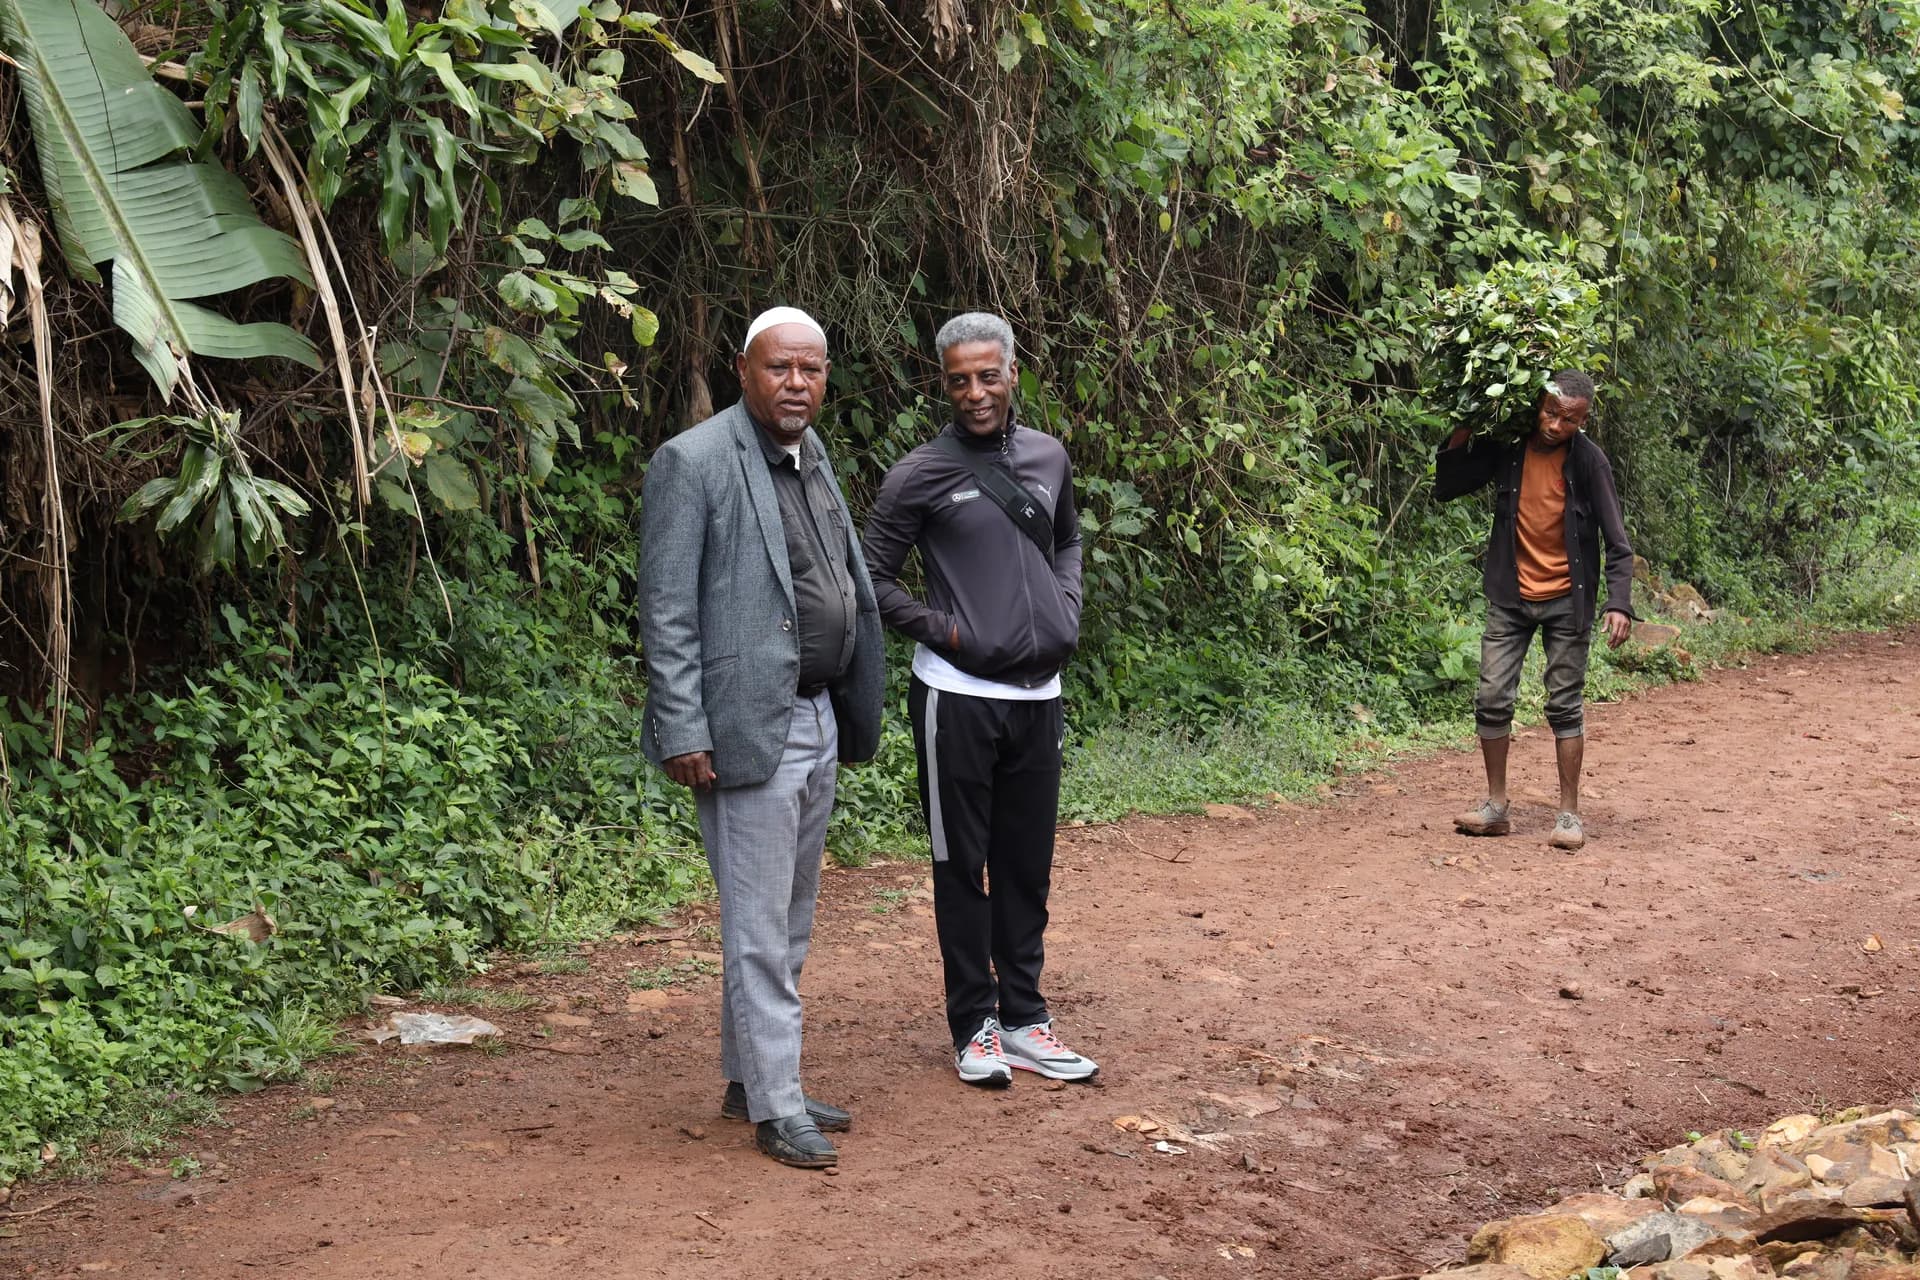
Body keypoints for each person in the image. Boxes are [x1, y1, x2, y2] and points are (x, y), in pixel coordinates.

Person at [637, 306, 885, 1169]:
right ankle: (779, 1108)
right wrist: (682, 725)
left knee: (789, 917)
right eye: (780, 368)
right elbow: (667, 609)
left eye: (811, 369)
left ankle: (753, 1079)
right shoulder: (693, 461)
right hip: (745, 725)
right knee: (757, 928)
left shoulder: (811, 456)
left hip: (814, 713)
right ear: (744, 369)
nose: (796, 384)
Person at [862, 311, 1099, 1088]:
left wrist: (1065, 606)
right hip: (955, 697)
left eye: (987, 376)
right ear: (944, 383)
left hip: (1039, 696)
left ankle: (1026, 1019)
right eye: (959, 380)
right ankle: (975, 1027)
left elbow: (1067, 538)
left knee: (1025, 866)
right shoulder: (920, 474)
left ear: (1012, 374)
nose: (975, 392)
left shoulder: (1048, 456)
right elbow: (870, 579)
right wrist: (949, 632)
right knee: (962, 866)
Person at [1434, 370, 1635, 852]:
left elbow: (1618, 543)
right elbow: (1449, 484)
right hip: (1510, 594)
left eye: (1569, 420)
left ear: (1583, 421)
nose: (1555, 425)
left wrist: (1619, 603)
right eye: (1550, 412)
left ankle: (1569, 815)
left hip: (1568, 599)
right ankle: (1495, 806)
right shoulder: (1509, 447)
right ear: (1537, 404)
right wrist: (1466, 422)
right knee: (1491, 697)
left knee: (1564, 704)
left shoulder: (1590, 462)